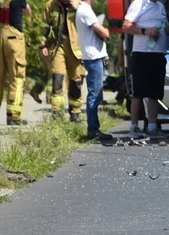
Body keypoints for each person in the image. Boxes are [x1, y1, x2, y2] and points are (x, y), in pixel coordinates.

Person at [123, 0, 169, 139]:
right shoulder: (138, 4)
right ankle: (134, 127)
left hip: (158, 53)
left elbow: (164, 25)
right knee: (139, 92)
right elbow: (126, 27)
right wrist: (145, 31)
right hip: (142, 54)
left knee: (155, 93)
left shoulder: (160, 6)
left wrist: (167, 29)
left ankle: (152, 127)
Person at [39, 0, 85, 121]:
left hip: (76, 47)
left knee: (76, 80)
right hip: (57, 46)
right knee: (57, 77)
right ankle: (57, 112)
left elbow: (89, 22)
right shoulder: (50, 5)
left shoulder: (79, 4)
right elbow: (44, 26)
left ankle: (75, 112)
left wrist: (79, 9)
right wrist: (43, 45)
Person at [75, 0, 112, 140]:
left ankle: (94, 128)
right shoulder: (85, 10)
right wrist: (106, 30)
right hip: (93, 57)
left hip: (93, 56)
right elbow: (104, 33)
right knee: (94, 94)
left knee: (96, 93)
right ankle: (93, 130)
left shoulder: (84, 10)